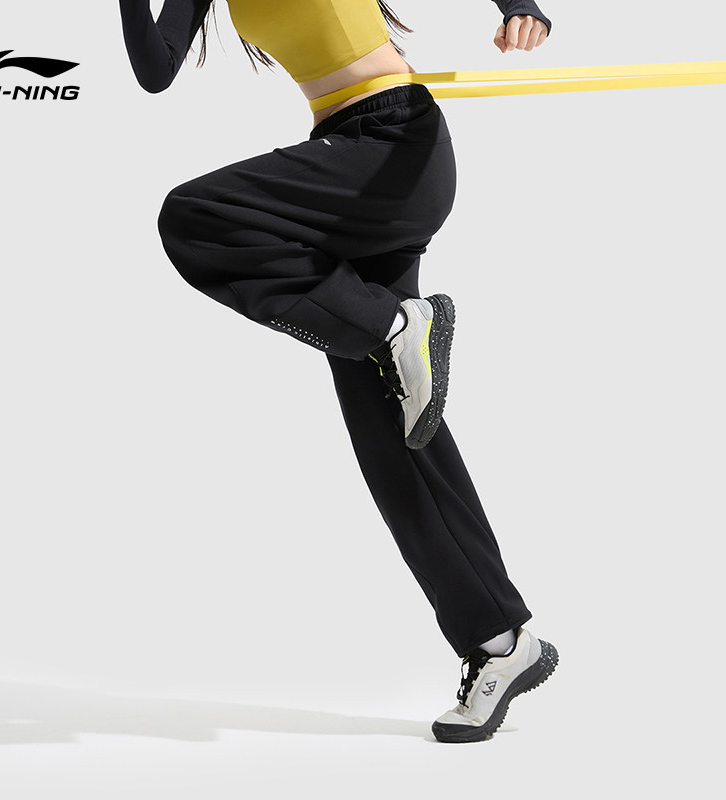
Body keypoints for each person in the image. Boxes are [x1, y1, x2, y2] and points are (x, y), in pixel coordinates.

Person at [118, 0, 558, 743]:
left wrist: (519, 5)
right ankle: (501, 643)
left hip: (394, 145)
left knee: (196, 215)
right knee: (392, 435)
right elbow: (155, 70)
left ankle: (393, 328)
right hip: (342, 161)